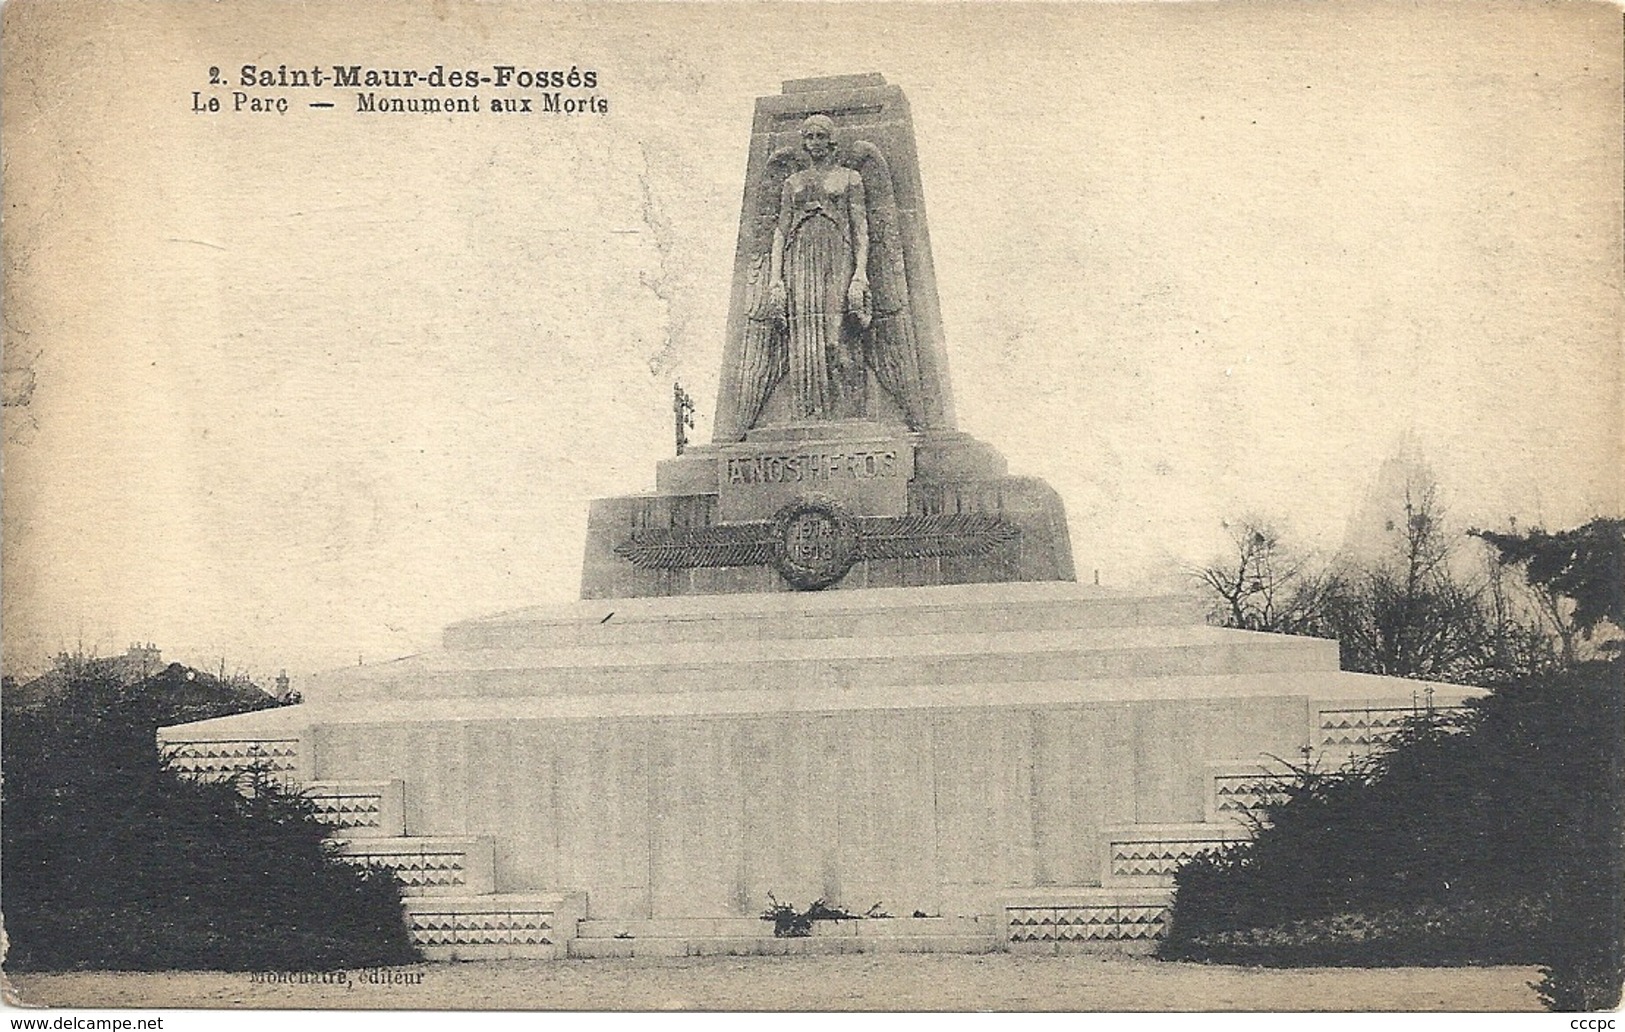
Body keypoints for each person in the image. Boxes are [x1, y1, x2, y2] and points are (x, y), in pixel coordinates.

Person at [767, 114, 871, 420]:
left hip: (838, 256)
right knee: (804, 339)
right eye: (809, 137)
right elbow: (780, 231)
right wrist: (775, 279)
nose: (814, 143)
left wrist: (861, 273)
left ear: (831, 140)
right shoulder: (793, 183)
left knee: (834, 337)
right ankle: (810, 412)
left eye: (820, 136)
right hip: (800, 259)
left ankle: (849, 412)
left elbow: (860, 227)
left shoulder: (850, 178)